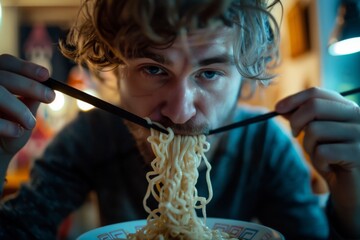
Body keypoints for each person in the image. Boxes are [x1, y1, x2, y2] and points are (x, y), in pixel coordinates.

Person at [0, 0, 359, 239]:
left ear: (243, 79)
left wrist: (352, 202)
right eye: (153, 69)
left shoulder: (266, 145)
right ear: (114, 70)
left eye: (210, 73)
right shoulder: (89, 138)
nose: (180, 111)